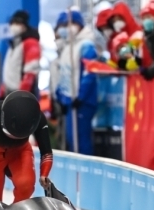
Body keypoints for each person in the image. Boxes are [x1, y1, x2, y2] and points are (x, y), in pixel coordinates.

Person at [54, 10, 98, 155]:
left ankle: (86, 173)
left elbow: (89, 72)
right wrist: (61, 97)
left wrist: (80, 97)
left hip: (82, 103)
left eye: (72, 23)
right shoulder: (68, 47)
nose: (69, 27)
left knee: (81, 140)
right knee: (72, 140)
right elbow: (63, 75)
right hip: (69, 102)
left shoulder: (86, 46)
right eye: (66, 24)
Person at [0, 10, 41, 99]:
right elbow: (10, 71)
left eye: (17, 23)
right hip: (10, 93)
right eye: (12, 23)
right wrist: (2, 91)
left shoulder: (30, 43)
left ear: (24, 25)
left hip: (22, 95)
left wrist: (21, 95)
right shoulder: (14, 44)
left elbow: (31, 72)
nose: (14, 26)